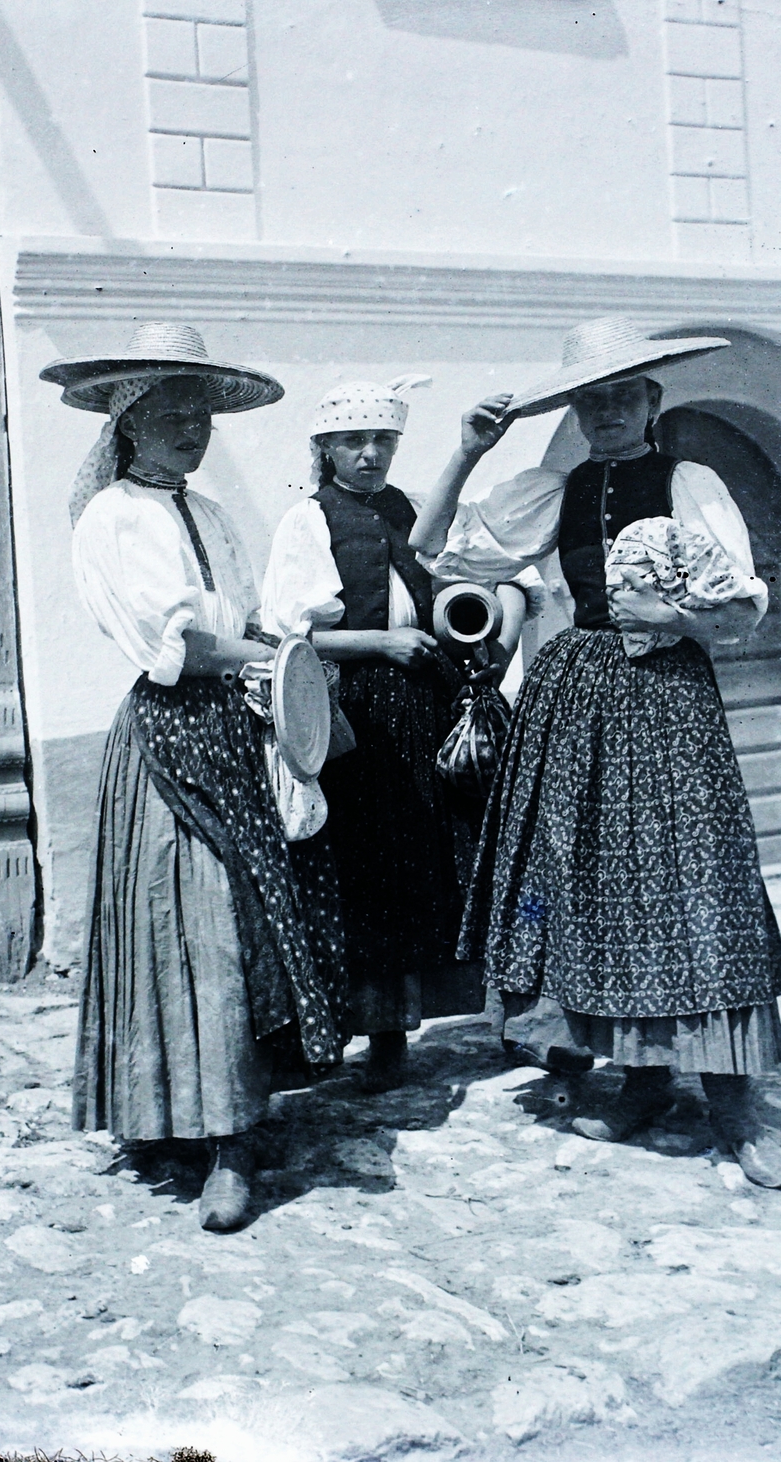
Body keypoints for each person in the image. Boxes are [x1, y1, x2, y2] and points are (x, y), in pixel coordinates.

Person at [409, 315, 781, 1189]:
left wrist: (675, 620)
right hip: (579, 697)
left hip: (669, 701)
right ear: (579, 411)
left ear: (653, 402)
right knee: (600, 889)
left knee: (700, 883)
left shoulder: (689, 478)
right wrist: (468, 451)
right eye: (593, 399)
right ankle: (644, 1079)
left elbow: (743, 609)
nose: (609, 412)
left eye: (624, 395)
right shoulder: (558, 488)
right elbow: (435, 550)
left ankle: (736, 1102)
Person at [45, 322, 348, 1232]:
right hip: (170, 739)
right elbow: (172, 643)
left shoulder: (210, 514)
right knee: (192, 923)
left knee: (247, 917)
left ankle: (233, 1128)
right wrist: (265, 659)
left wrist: (284, 660)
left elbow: (247, 619)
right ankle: (191, 1128)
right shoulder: (113, 516)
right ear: (127, 424)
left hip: (233, 728)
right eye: (172, 414)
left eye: (202, 417)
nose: (192, 431)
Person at [260, 378, 529, 1092]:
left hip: (429, 701)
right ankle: (383, 1037)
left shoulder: (408, 509)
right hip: (363, 714)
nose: (370, 455)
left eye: (382, 441)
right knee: (374, 868)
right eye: (354, 442)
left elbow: (468, 571)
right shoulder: (307, 521)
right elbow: (295, 632)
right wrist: (381, 642)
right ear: (325, 449)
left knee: (453, 855)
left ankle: (490, 1010)